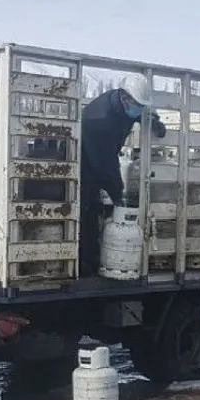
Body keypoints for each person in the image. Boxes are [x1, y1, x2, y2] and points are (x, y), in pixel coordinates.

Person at [79, 74, 167, 276]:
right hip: (86, 161)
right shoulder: (100, 118)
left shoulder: (125, 105)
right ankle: (87, 264)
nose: (139, 109)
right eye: (137, 105)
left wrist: (155, 121)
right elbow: (103, 160)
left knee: (108, 204)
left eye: (142, 105)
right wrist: (115, 189)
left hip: (104, 156)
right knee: (87, 210)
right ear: (124, 97)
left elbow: (139, 112)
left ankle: (98, 255)